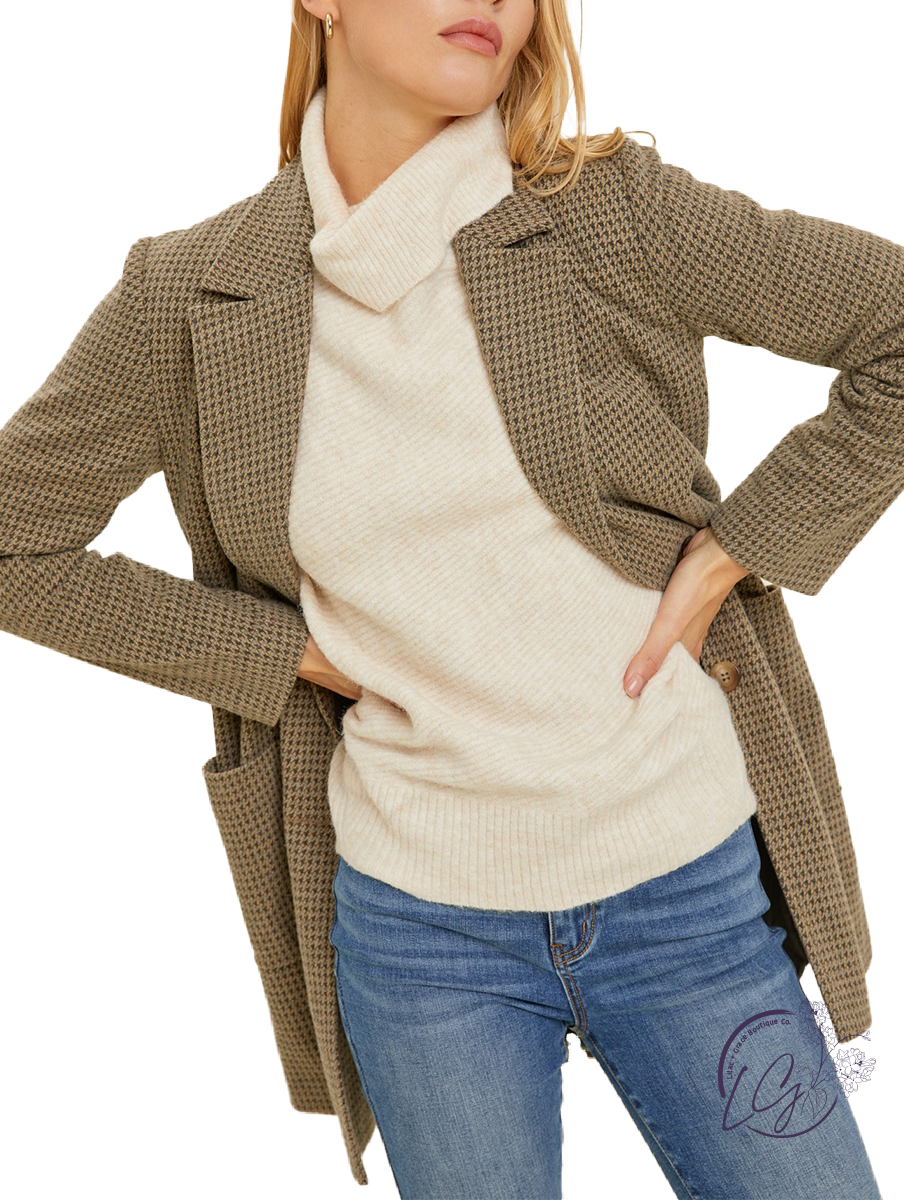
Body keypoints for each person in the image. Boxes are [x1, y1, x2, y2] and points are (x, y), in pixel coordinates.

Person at [1, 2, 894, 1197]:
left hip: (686, 890)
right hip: (422, 940)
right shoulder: (195, 296)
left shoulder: (606, 213)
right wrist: (287, 655)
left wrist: (735, 548)